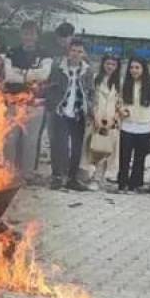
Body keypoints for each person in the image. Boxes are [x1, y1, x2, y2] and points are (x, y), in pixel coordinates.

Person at [4, 20, 54, 176]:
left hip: (35, 105)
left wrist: (21, 74)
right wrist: (32, 75)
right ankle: (7, 173)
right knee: (10, 140)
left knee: (30, 141)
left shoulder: (45, 54)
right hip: (13, 103)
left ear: (37, 36)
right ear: (21, 34)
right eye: (25, 33)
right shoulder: (11, 52)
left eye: (32, 33)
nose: (29, 37)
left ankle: (27, 174)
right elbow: (9, 76)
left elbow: (44, 75)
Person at [46, 39, 94, 191]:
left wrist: (90, 108)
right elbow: (50, 87)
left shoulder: (87, 70)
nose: (76, 54)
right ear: (68, 51)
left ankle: (72, 178)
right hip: (61, 111)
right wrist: (53, 104)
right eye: (74, 50)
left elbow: (90, 91)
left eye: (80, 51)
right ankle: (57, 176)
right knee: (59, 145)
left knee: (76, 148)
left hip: (78, 113)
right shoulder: (58, 68)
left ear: (83, 53)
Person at [116, 58, 150, 192]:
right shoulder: (125, 82)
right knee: (124, 157)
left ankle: (134, 184)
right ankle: (122, 182)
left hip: (145, 126)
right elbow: (119, 101)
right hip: (127, 125)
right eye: (132, 67)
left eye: (137, 67)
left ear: (143, 69)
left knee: (139, 158)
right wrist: (121, 110)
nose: (134, 70)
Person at [83, 55, 122, 191]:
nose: (110, 67)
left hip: (112, 122)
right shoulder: (95, 79)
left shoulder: (119, 83)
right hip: (96, 120)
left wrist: (115, 117)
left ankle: (99, 178)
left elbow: (121, 104)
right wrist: (95, 116)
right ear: (103, 64)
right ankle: (89, 176)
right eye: (107, 64)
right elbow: (90, 99)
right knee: (92, 148)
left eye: (113, 64)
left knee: (107, 150)